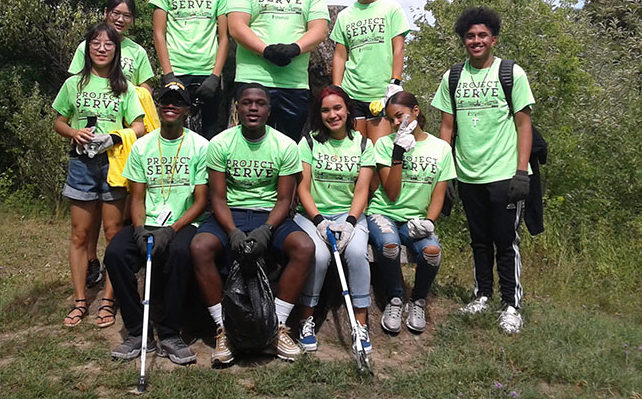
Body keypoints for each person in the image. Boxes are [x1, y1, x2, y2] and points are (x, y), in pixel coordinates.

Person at [189, 83, 314, 366]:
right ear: (237, 107)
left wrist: (266, 230)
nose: (253, 108)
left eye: (260, 103)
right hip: (230, 212)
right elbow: (217, 198)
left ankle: (274, 327)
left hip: (269, 215)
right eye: (246, 103)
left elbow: (285, 199)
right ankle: (225, 329)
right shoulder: (220, 143)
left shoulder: (285, 145)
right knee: (199, 246)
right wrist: (232, 231)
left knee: (305, 247)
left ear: (269, 110)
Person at [431, 6, 534, 334]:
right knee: (479, 240)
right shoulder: (453, 76)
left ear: (493, 39)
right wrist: (445, 173)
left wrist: (521, 172)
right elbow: (447, 127)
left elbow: (524, 124)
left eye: (482, 36)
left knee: (506, 241)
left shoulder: (511, 73)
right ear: (464, 40)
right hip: (467, 174)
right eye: (470, 36)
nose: (476, 41)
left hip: (505, 173)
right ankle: (482, 295)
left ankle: (511, 305)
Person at [105, 80, 209, 365]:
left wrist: (171, 230)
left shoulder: (201, 146)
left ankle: (170, 332)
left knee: (179, 252)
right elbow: (136, 196)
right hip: (148, 222)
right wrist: (138, 230)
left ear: (187, 110)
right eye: (165, 101)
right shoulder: (142, 147)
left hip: (185, 222)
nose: (170, 106)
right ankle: (138, 332)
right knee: (115, 254)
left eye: (177, 102)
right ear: (158, 107)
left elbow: (201, 200)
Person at [53, 22, 146, 328]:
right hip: (81, 163)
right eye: (96, 44)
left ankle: (109, 299)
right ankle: (80, 300)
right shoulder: (74, 84)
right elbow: (59, 121)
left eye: (108, 45)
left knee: (114, 235)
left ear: (117, 50)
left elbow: (139, 126)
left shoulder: (126, 88)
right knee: (80, 234)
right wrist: (74, 132)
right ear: (87, 48)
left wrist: (115, 137)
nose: (102, 49)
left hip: (114, 166)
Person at [68, 0, 154, 288]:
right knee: (86, 217)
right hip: (85, 148)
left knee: (115, 219)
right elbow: (76, 89)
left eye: (127, 15)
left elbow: (145, 92)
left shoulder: (137, 52)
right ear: (106, 13)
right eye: (116, 13)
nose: (120, 19)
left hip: (120, 145)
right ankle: (91, 261)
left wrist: (128, 129)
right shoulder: (86, 47)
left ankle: (116, 274)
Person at [227, 0, 329, 141]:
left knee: (288, 149)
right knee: (248, 145)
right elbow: (236, 26)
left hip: (294, 83)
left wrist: (295, 48)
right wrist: (266, 51)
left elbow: (320, 29)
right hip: (253, 79)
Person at [293, 86, 374, 353]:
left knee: (357, 252)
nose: (332, 114)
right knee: (318, 256)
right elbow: (303, 188)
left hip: (349, 215)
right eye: (326, 110)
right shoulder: (309, 142)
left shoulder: (363, 144)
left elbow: (362, 190)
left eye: (337, 108)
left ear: (348, 109)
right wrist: (318, 220)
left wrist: (350, 222)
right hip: (312, 215)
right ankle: (306, 319)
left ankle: (360, 324)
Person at [367, 91, 455, 335]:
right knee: (389, 245)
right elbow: (392, 193)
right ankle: (395, 299)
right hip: (383, 212)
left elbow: (439, 192)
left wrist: (429, 222)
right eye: (391, 119)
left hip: (415, 219)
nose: (397, 124)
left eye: (400, 116)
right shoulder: (384, 144)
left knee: (432, 252)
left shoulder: (440, 149)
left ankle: (418, 300)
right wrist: (397, 154)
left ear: (416, 111)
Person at [149, 0, 230, 140]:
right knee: (172, 134)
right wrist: (168, 75)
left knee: (210, 136)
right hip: (176, 70)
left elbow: (224, 37)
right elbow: (159, 33)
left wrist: (215, 76)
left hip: (207, 72)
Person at [331, 0, 410, 144]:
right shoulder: (344, 16)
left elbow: (398, 49)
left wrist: (395, 83)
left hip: (382, 94)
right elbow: (340, 56)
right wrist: (336, 90)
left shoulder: (392, 9)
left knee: (380, 154)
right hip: (352, 93)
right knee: (357, 153)